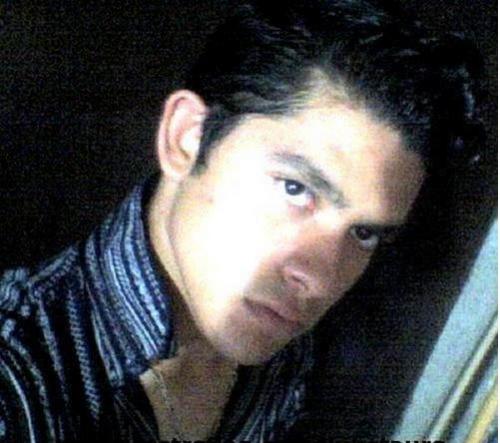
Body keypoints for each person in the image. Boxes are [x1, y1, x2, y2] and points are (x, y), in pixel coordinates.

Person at [0, 0, 483, 442]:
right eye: (295, 189)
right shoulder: (20, 371)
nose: (320, 280)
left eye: (363, 233)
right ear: (186, 138)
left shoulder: (284, 356)